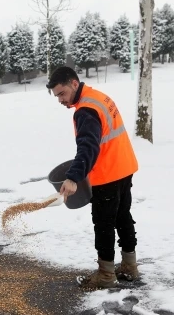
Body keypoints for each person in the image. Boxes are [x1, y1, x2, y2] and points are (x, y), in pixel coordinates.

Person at [46, 66, 140, 289]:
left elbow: (88, 147)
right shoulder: (98, 97)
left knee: (104, 223)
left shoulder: (85, 110)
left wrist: (73, 177)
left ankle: (106, 275)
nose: (60, 100)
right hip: (124, 166)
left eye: (62, 93)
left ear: (74, 84)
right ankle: (129, 266)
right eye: (57, 95)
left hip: (107, 174)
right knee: (122, 216)